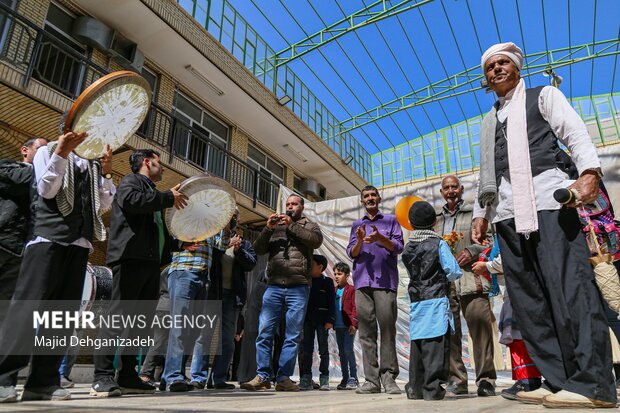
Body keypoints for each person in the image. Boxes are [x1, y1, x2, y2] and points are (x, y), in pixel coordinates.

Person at [472, 42, 616, 408]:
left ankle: (594, 384)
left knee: (571, 292)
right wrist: (480, 213)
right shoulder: (489, 121)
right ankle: (558, 380)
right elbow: (486, 174)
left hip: (549, 203)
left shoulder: (544, 95)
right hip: (505, 215)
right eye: (490, 67)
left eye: (503, 63)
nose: (497, 70)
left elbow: (576, 132)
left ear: (517, 68)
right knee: (529, 302)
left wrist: (588, 173)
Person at [0, 132, 115, 403]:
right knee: (27, 310)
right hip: (47, 240)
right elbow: (47, 189)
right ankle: (4, 377)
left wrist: (107, 174)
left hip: (78, 244)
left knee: (60, 316)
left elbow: (104, 204)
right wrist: (62, 154)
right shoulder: (46, 152)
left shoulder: (92, 163)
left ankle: (43, 381)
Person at [92, 149, 187, 397]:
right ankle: (101, 376)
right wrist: (167, 197)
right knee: (118, 317)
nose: (163, 168)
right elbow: (133, 204)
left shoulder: (154, 194)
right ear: (147, 162)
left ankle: (128, 376)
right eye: (159, 163)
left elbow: (157, 232)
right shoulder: (130, 182)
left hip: (150, 264)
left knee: (141, 324)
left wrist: (181, 245)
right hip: (130, 260)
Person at [241, 194, 323, 392]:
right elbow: (258, 249)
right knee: (265, 332)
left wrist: (291, 226)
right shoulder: (275, 227)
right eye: (287, 204)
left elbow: (315, 241)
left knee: (292, 335)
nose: (290, 207)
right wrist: (268, 228)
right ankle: (262, 376)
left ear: (301, 207)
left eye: (294, 204)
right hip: (274, 286)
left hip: (299, 286)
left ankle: (284, 377)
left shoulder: (310, 226)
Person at [434, 175, 497, 397]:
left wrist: (471, 252)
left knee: (480, 329)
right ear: (441, 192)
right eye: (446, 188)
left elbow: (489, 241)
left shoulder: (475, 213)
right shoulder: (436, 219)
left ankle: (486, 380)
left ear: (461, 190)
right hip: (445, 283)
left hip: (472, 278)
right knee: (450, 333)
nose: (450, 191)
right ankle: (457, 379)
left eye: (454, 187)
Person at [190, 209, 257, 390]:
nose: (232, 219)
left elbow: (251, 263)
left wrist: (238, 249)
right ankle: (198, 377)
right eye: (229, 215)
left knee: (227, 339)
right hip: (212, 294)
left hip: (233, 297)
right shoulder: (212, 238)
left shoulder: (244, 243)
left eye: (235, 216)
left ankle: (218, 378)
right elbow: (211, 257)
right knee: (204, 336)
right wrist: (227, 244)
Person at [402, 201, 462, 401]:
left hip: (416, 301)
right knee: (436, 345)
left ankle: (415, 389)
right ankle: (433, 390)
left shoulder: (408, 247)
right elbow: (453, 272)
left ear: (411, 223)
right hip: (436, 299)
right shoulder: (439, 243)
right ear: (434, 222)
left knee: (418, 344)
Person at [346, 185, 403, 394]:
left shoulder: (391, 220)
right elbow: (352, 253)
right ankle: (371, 381)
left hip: (386, 282)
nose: (370, 198)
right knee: (366, 333)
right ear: (362, 201)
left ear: (379, 198)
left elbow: (398, 247)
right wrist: (360, 240)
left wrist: (381, 238)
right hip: (362, 283)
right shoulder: (356, 225)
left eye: (373, 195)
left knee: (387, 330)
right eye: (366, 196)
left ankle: (389, 379)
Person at [471, 256, 542, 400]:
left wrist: (487, 265)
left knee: (517, 338)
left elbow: (508, 257)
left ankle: (526, 380)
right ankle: (530, 379)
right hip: (521, 289)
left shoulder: (511, 234)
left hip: (517, 290)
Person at [0, 137, 48, 328]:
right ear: (25, 151)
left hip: (21, 252)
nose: (45, 156)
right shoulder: (7, 165)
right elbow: (20, 181)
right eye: (41, 150)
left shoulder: (47, 180)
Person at [298, 254, 335, 391]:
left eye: (311, 265)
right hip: (307, 320)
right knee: (305, 350)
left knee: (323, 350)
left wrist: (330, 320)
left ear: (320, 267)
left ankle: (324, 378)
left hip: (322, 321)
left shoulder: (328, 282)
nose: (309, 267)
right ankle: (305, 378)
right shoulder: (305, 281)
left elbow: (332, 303)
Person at [332, 261, 359, 391]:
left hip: (348, 326)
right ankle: (345, 378)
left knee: (348, 350)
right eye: (335, 274)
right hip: (338, 327)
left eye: (340, 274)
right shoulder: (334, 290)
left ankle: (353, 378)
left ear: (347, 275)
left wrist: (354, 324)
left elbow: (355, 308)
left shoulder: (352, 290)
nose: (337, 276)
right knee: (342, 353)